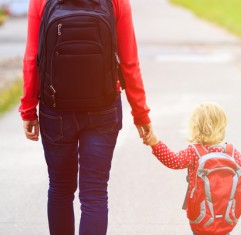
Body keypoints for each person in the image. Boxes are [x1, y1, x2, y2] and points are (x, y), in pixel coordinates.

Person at [19, 0, 153, 234]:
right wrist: (141, 114)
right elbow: (129, 62)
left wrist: (28, 109)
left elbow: (32, 58)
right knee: (95, 193)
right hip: (103, 109)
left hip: (55, 109)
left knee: (60, 189)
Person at [143, 102, 241, 235]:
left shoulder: (194, 152)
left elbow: (173, 161)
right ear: (221, 127)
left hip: (201, 217)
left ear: (195, 127)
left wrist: (155, 143)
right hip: (227, 215)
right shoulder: (232, 153)